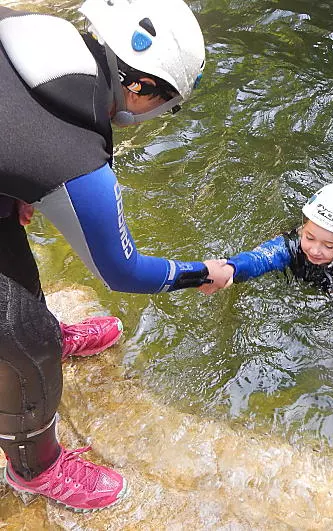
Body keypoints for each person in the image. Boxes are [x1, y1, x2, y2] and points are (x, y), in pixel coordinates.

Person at [0, 0, 226, 512]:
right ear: (143, 87)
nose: (157, 117)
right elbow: (124, 271)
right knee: (23, 338)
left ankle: (50, 334)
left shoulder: (38, 27)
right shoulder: (76, 157)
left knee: (14, 254)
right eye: (167, 104)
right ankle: (34, 469)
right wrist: (201, 273)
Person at [209, 183, 333, 313]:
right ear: (303, 227)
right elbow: (260, 258)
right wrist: (231, 268)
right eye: (309, 237)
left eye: (328, 245)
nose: (315, 250)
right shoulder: (291, 245)